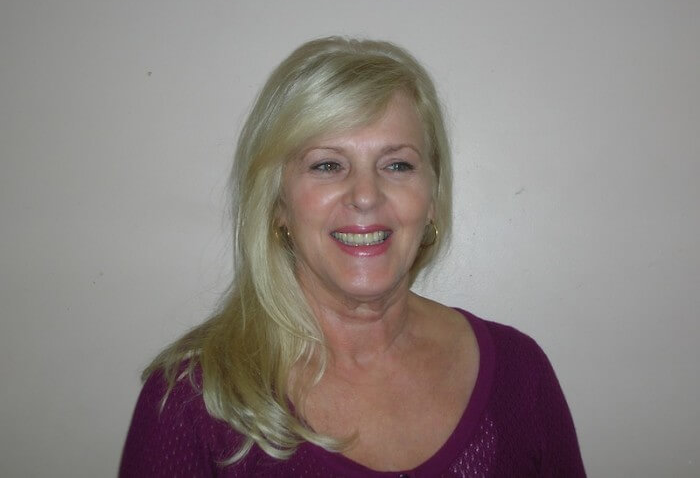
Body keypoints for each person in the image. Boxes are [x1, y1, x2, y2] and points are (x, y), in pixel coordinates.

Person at [120, 37, 585, 477]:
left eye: (397, 164)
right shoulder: (194, 399)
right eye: (327, 165)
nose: (365, 195)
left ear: (432, 198)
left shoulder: (520, 373)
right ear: (278, 204)